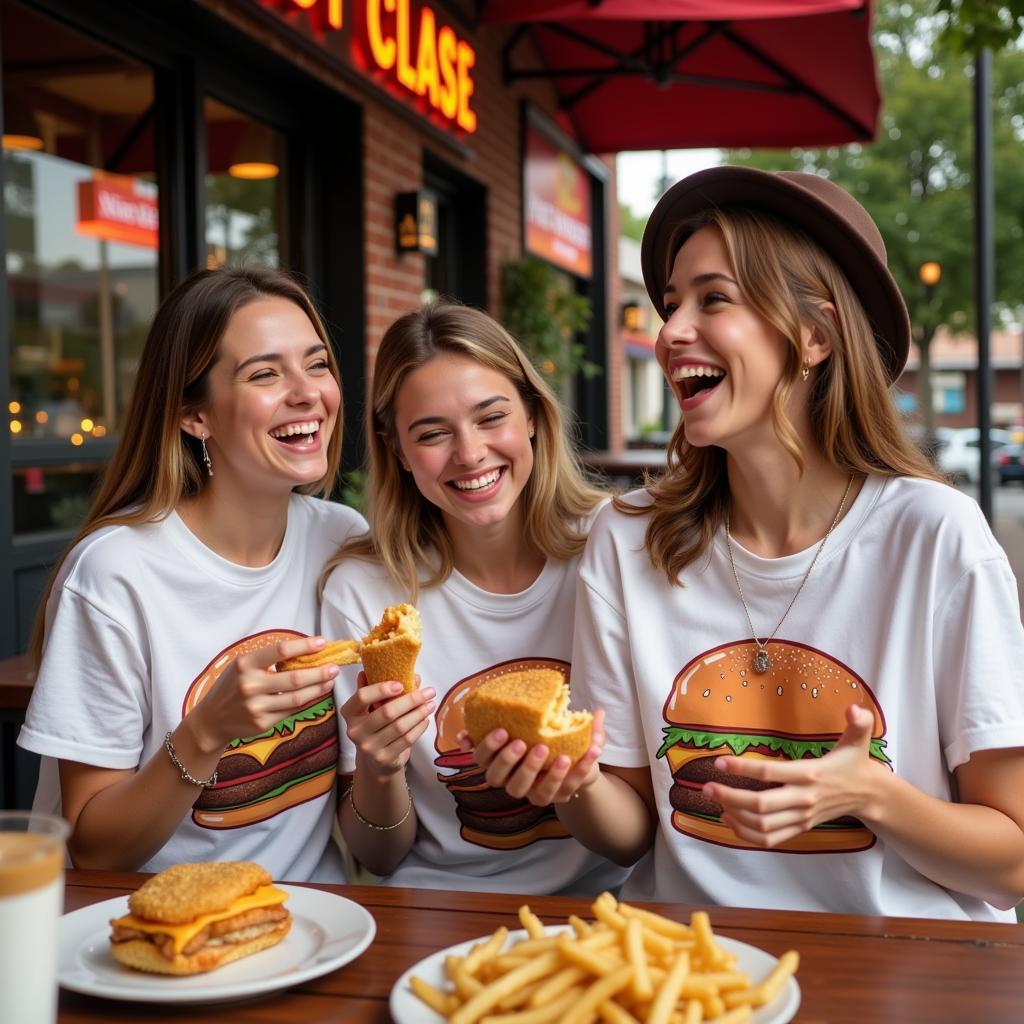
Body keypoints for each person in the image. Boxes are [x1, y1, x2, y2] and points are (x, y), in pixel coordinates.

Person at [473, 166, 1024, 921]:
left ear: (815, 336)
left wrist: (871, 793)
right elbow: (632, 831)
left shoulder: (935, 536)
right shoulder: (627, 540)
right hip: (692, 962)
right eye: (670, 306)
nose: (669, 333)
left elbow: (1014, 861)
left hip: (902, 966)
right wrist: (570, 781)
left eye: (714, 299)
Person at [18, 267, 366, 882]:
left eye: (316, 364)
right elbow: (95, 847)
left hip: (316, 930)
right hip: (150, 941)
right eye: (264, 373)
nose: (308, 392)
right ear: (192, 416)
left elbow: (362, 810)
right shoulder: (116, 572)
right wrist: (208, 732)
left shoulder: (341, 539)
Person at [320, 302, 626, 895]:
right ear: (399, 453)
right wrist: (380, 767)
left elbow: (632, 840)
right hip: (439, 912)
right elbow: (378, 857)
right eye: (432, 434)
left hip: (605, 911)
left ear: (534, 415)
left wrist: (576, 778)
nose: (469, 453)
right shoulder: (364, 594)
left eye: (492, 418)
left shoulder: (613, 546)